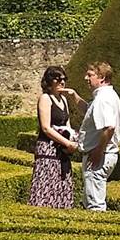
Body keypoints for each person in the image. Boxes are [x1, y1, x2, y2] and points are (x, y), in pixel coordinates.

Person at [28, 66, 83, 208]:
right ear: (49, 81)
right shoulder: (45, 99)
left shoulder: (63, 100)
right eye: (58, 79)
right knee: (46, 185)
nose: (62, 82)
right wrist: (67, 143)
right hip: (48, 149)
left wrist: (71, 141)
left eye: (64, 79)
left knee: (61, 185)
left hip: (62, 150)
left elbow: (67, 125)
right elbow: (46, 128)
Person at [76, 61, 120, 211]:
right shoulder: (106, 96)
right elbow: (90, 111)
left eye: (90, 75)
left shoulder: (103, 99)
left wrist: (98, 151)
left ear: (102, 77)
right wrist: (74, 96)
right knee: (90, 200)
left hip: (99, 156)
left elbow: (109, 127)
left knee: (95, 204)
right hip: (103, 154)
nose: (85, 78)